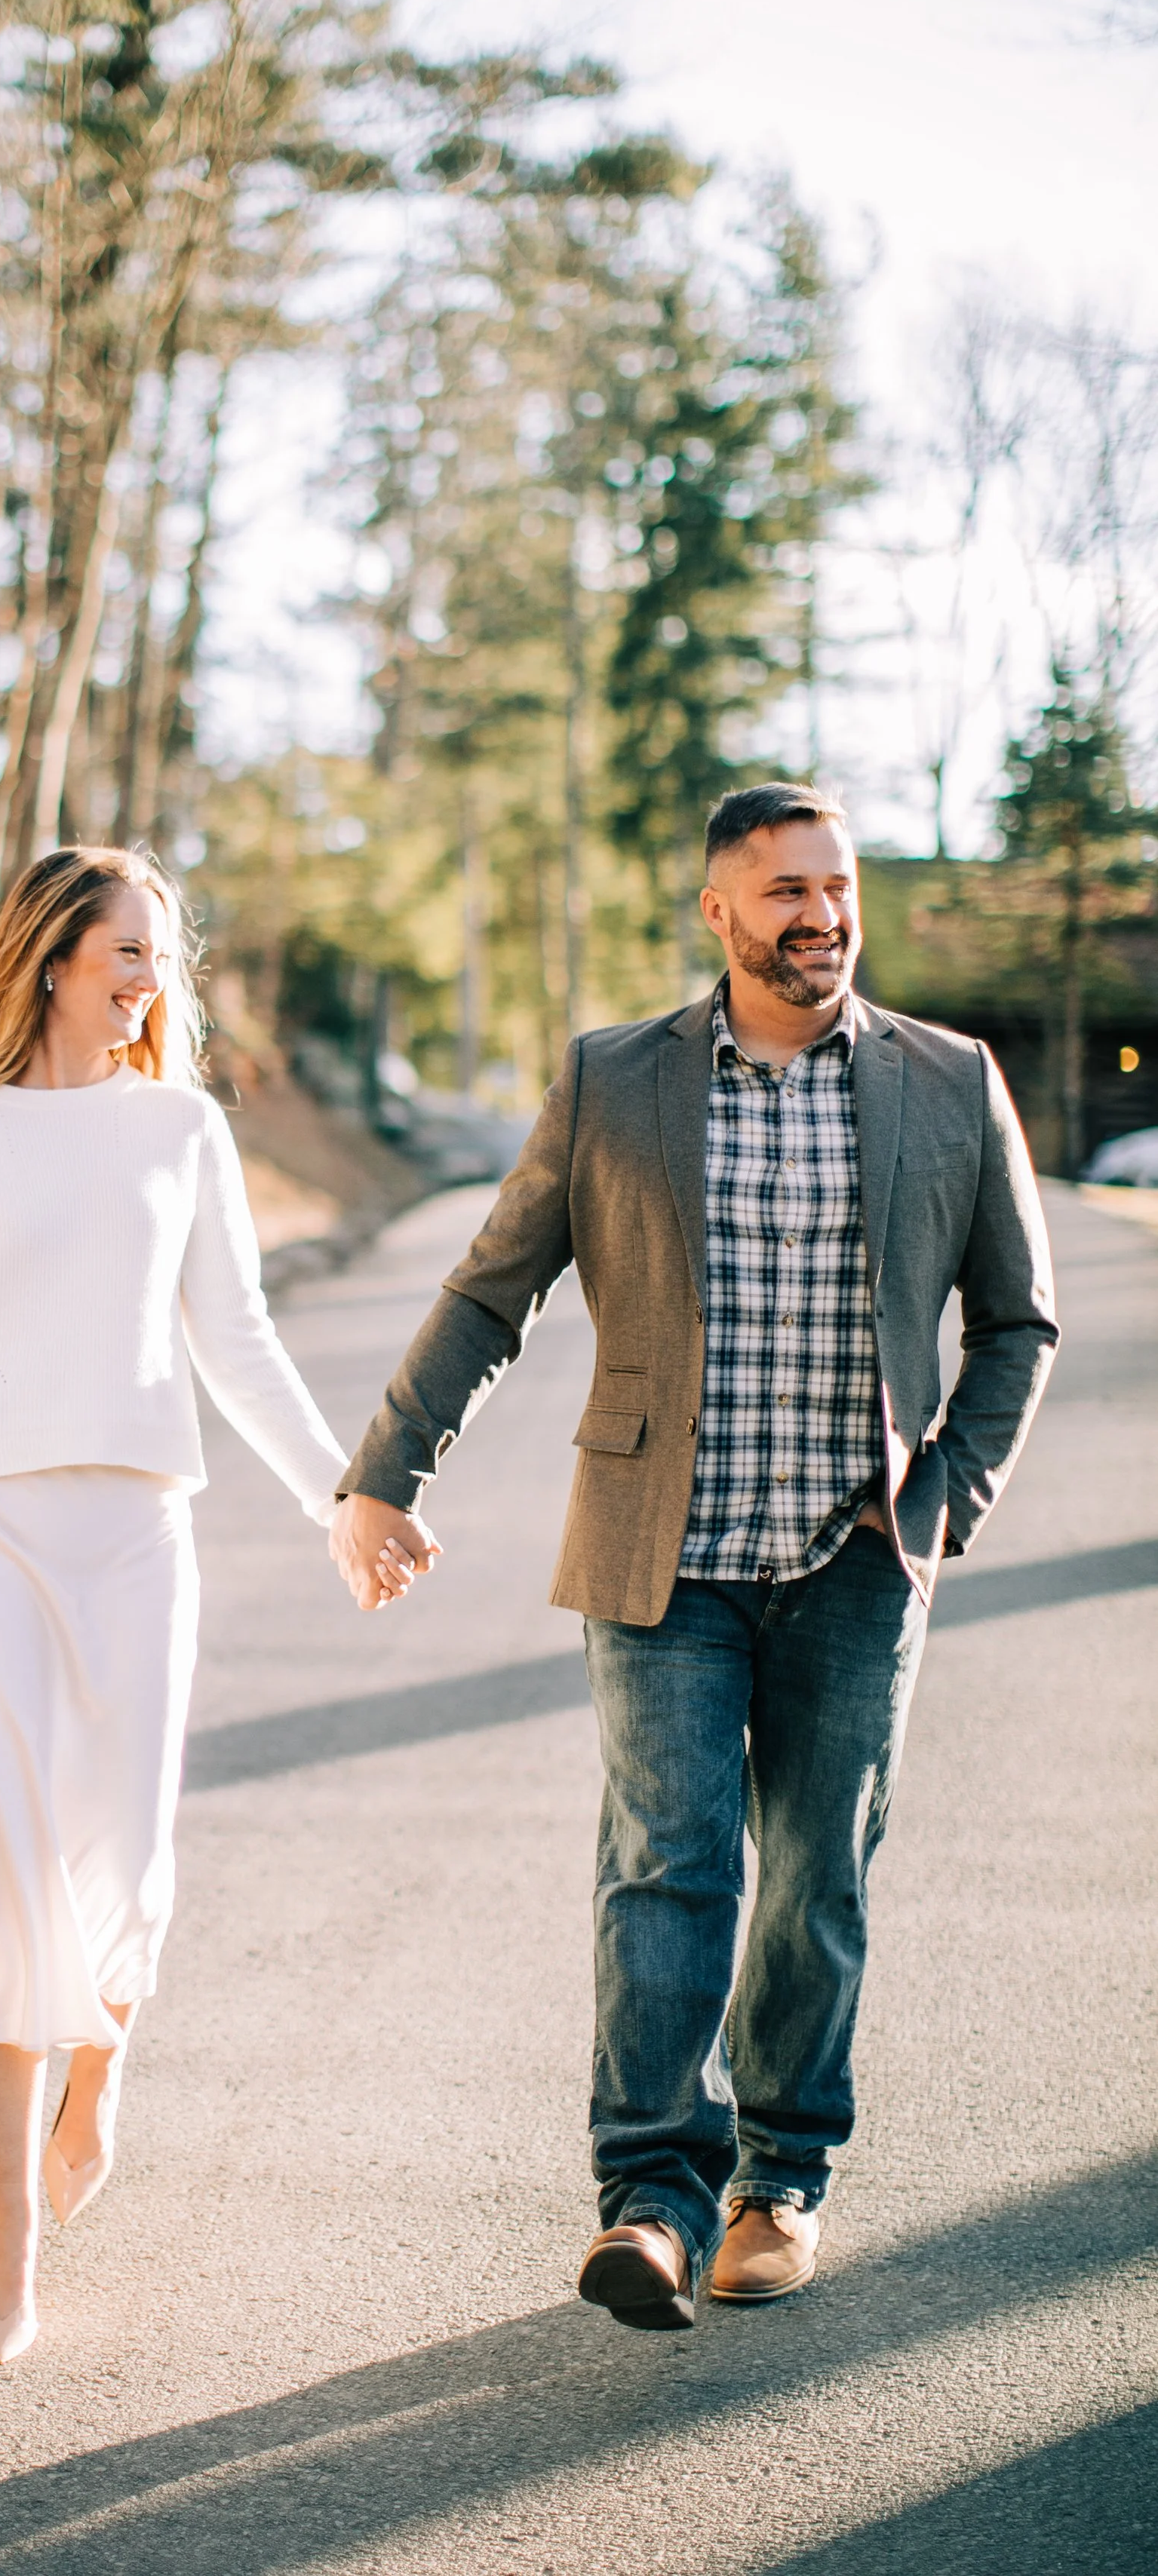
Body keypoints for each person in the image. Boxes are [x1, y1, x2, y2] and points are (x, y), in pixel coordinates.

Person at [329, 783, 1058, 2329]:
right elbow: (488, 1290)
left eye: (835, 884)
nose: (819, 914)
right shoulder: (614, 1082)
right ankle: (649, 2200)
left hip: (854, 1563)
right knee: (665, 1870)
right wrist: (383, 1472)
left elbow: (1015, 1323)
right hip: (658, 1555)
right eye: (782, 890)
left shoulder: (945, 1080)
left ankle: (778, 2175)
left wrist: (938, 1502)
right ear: (716, 913)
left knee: (813, 1877)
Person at [0, 846, 347, 2365]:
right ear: (48, 958)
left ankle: (99, 2067)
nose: (151, 977)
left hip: (134, 1530)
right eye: (127, 950)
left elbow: (235, 1342)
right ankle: (4, 2220)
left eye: (162, 954)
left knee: (120, 1849)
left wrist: (340, 1496)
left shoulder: (181, 1131)